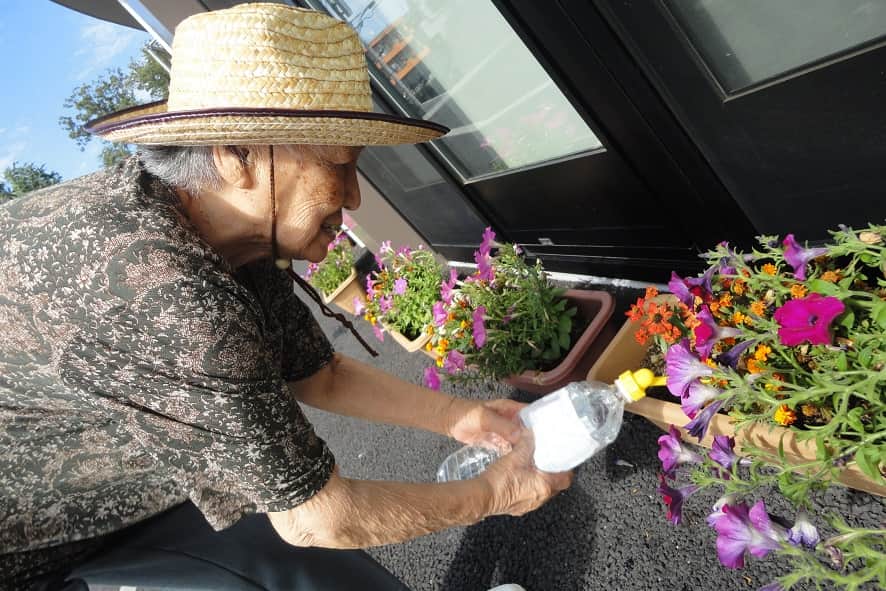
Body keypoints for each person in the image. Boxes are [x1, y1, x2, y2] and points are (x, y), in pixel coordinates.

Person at [0, 4, 572, 590]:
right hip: (32, 529)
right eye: (338, 164)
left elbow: (317, 373)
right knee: (284, 564)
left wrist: (461, 416)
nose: (353, 196)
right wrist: (496, 492)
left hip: (120, 450)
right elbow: (319, 519)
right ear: (235, 156)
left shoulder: (232, 225)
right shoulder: (157, 291)